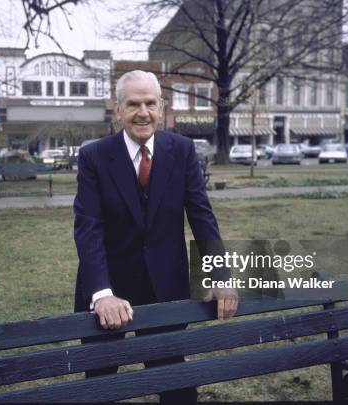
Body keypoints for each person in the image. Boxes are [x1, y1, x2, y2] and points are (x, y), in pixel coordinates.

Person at [73, 70, 237, 403]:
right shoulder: (94, 157)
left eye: (150, 103)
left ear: (162, 108)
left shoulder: (183, 150)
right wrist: (102, 294)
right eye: (133, 104)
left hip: (166, 287)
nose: (143, 112)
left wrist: (219, 274)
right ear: (117, 110)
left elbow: (202, 217)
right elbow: (88, 228)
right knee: (98, 384)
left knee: (175, 383)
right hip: (109, 288)